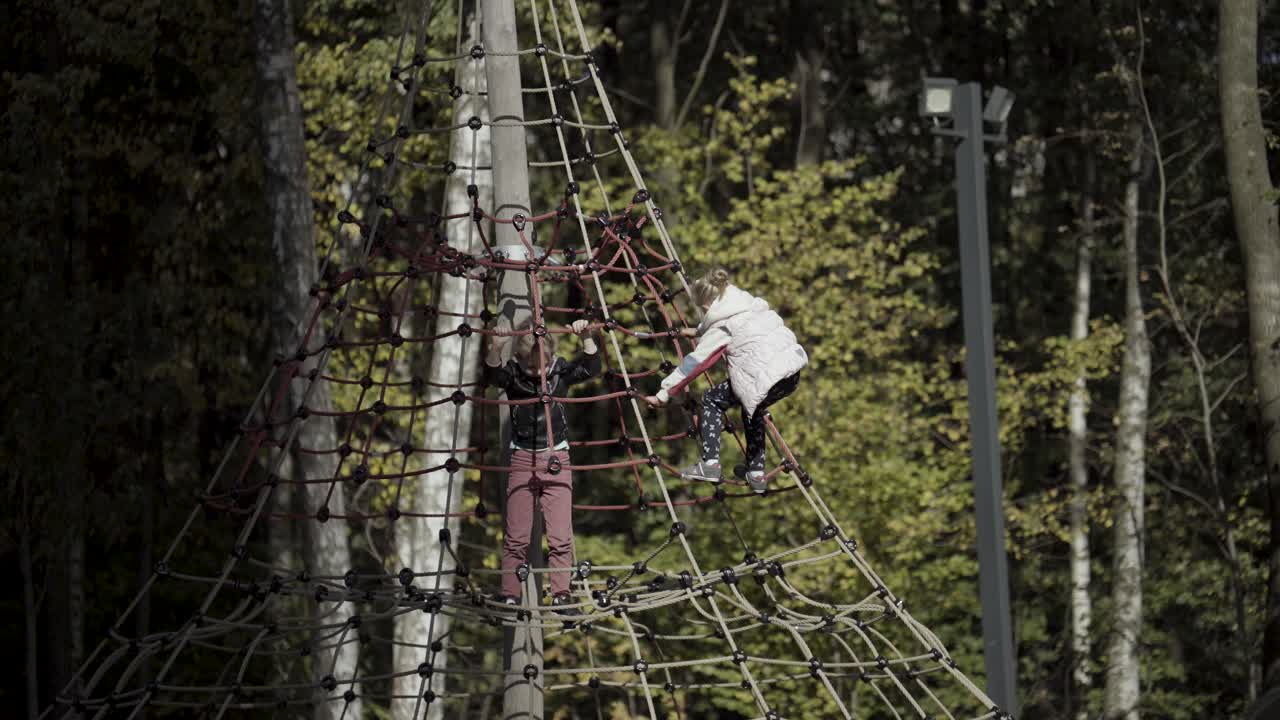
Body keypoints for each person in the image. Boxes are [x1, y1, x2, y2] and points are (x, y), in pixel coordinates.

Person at [643, 268, 807, 494]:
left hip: (765, 377)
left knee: (711, 400)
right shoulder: (747, 304)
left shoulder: (722, 325)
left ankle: (710, 464)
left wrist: (664, 392)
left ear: (707, 307)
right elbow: (722, 324)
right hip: (791, 372)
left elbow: (696, 362)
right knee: (753, 407)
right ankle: (756, 473)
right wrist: (699, 331)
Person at [484, 316, 598, 613]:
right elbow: (493, 376)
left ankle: (561, 594)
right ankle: (510, 593)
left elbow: (590, 367)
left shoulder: (559, 371)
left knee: (561, 535)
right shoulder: (514, 375)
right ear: (519, 360)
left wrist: (585, 337)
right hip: (522, 458)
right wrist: (496, 349)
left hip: (556, 458)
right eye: (532, 367)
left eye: (542, 366)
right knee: (516, 535)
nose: (538, 373)